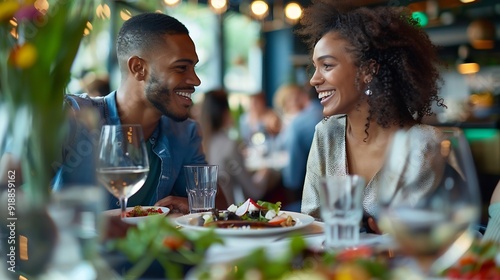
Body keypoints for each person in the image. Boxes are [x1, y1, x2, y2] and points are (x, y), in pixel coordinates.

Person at [53, 12, 227, 213]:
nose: (196, 80)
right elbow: (10, 192)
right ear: (138, 68)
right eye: (181, 68)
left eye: (194, 68)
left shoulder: (185, 133)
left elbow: (220, 206)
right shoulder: (75, 117)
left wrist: (195, 206)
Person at [296, 1, 446, 232]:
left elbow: (422, 235)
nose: (314, 80)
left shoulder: (423, 145)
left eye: (326, 65)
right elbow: (312, 223)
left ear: (368, 70)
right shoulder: (327, 134)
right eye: (314, 67)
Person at [199, 89, 280, 205]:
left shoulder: (199, 143)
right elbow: (254, 191)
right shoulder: (229, 144)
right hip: (228, 215)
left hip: (206, 215)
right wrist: (264, 171)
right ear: (224, 112)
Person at [280, 85, 323, 212]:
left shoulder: (299, 122)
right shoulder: (338, 116)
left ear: (304, 97)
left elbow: (293, 176)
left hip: (312, 196)